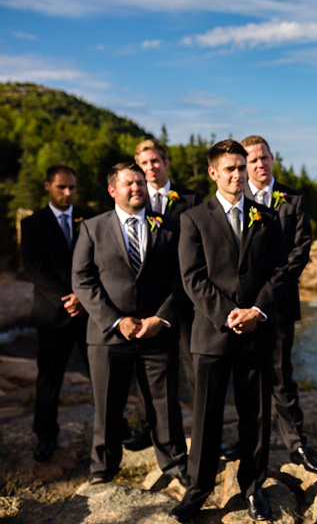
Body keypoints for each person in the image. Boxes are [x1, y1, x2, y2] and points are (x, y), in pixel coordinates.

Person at [170, 139, 288, 523]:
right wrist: (230, 314)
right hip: (211, 334)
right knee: (206, 418)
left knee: (255, 415)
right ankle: (198, 490)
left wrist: (256, 311)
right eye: (231, 169)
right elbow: (192, 278)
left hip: (256, 333)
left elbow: (278, 272)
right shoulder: (193, 219)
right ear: (213, 173)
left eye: (243, 167)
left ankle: (253, 489)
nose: (239, 175)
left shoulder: (265, 217)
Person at [71, 163, 188, 485]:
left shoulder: (170, 226)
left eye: (140, 182)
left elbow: (182, 280)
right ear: (113, 190)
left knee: (164, 406)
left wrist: (160, 318)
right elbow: (82, 280)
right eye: (128, 183)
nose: (136, 188)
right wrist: (115, 320)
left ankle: (176, 466)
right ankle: (103, 470)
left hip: (157, 334)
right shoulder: (93, 228)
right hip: (108, 336)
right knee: (108, 407)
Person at [240, 135, 317, 473]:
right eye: (252, 161)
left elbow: (301, 250)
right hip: (242, 308)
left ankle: (296, 444)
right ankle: (246, 440)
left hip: (280, 304)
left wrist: (269, 295)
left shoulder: (293, 199)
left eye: (264, 158)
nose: (260, 165)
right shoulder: (236, 199)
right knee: (245, 376)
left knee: (281, 373)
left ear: (272, 158)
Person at [123, 139, 200, 452]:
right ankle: (146, 428)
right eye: (143, 163)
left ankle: (205, 432)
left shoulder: (192, 200)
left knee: (194, 368)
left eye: (155, 161)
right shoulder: (134, 200)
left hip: (188, 298)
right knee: (147, 369)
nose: (150, 168)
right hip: (150, 302)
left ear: (166, 162)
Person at [20, 164, 91, 462]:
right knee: (49, 378)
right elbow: (34, 269)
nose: (67, 193)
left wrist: (83, 297)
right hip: (52, 314)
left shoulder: (88, 218)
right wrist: (67, 299)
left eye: (72, 187)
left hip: (88, 311)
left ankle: (118, 425)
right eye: (61, 187)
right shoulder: (33, 224)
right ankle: (46, 436)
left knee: (103, 373)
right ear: (48, 186)